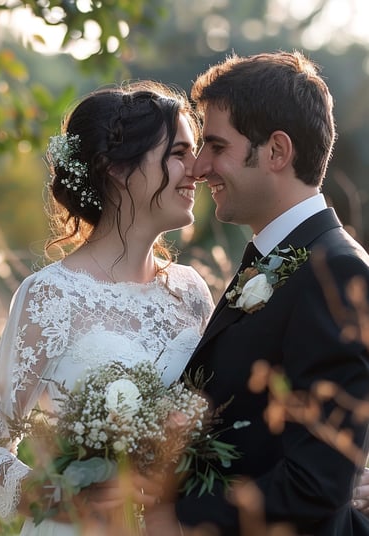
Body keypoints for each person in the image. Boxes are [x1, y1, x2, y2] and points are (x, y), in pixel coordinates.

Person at [145, 51, 369, 535]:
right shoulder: (278, 256)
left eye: (215, 145)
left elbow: (316, 482)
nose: (200, 167)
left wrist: (181, 520)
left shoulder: (338, 270)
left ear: (276, 152)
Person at [0, 81, 215, 535]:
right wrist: (59, 495)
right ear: (116, 167)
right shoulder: (50, 296)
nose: (197, 169)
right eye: (178, 153)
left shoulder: (192, 293)